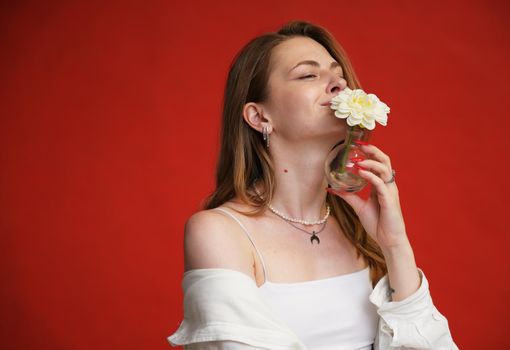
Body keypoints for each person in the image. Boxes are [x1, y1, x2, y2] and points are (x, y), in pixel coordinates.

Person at [167, 20, 459, 349]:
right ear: (259, 117)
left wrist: (395, 245)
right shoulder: (219, 232)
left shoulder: (363, 231)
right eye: (308, 75)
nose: (338, 85)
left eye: (338, 75)